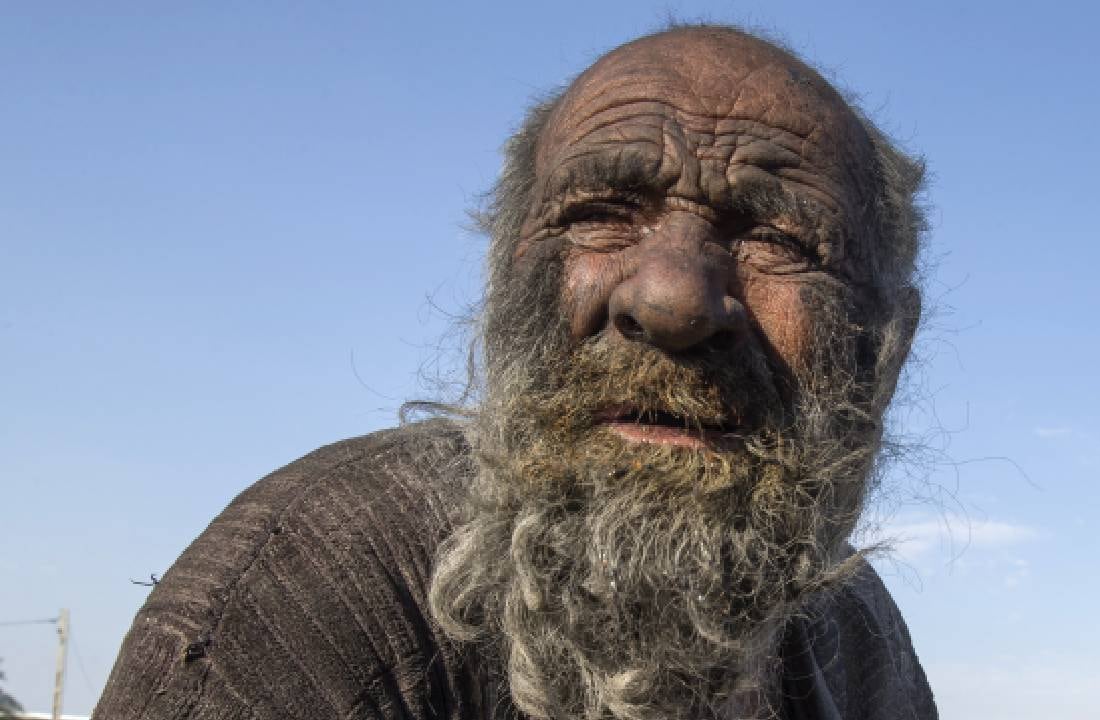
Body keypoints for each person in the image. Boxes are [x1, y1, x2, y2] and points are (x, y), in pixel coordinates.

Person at [95, 25, 936, 720]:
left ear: (883, 350)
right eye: (601, 214)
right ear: (508, 291)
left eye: (779, 239)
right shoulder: (309, 594)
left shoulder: (854, 635)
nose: (673, 300)